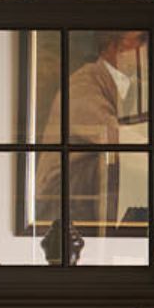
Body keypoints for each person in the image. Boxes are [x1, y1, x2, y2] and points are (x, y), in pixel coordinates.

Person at [37, 29, 146, 264]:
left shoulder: (132, 87)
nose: (147, 50)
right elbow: (114, 138)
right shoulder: (83, 83)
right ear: (117, 46)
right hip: (66, 189)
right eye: (141, 41)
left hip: (101, 186)